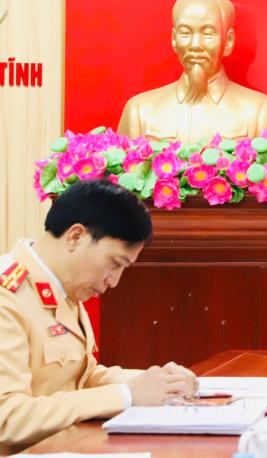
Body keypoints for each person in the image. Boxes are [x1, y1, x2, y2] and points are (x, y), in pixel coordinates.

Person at [0, 180, 198, 454]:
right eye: (114, 264)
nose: (114, 281)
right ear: (76, 237)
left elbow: (82, 377)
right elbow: (7, 417)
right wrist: (126, 395)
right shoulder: (7, 297)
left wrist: (158, 382)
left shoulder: (61, 286)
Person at [117, 0, 267, 142]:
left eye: (208, 33)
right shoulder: (139, 111)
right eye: (185, 33)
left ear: (228, 41)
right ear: (174, 39)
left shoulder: (262, 112)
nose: (195, 45)